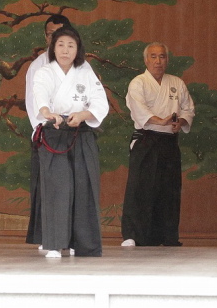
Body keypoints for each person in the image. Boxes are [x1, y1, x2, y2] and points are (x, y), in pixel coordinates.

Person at [31, 25, 109, 258]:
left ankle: (81, 242)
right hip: (54, 132)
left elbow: (100, 102)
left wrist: (83, 115)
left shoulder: (85, 72)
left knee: (84, 186)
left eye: (71, 46)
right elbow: (40, 98)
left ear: (78, 50)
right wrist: (49, 113)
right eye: (61, 45)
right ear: (53, 48)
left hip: (81, 131)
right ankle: (55, 244)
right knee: (58, 187)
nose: (65, 50)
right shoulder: (44, 72)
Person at [120, 42, 195, 247]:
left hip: (169, 142)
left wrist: (181, 122)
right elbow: (138, 109)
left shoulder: (176, 83)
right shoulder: (139, 83)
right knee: (141, 187)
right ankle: (134, 235)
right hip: (146, 140)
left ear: (167, 60)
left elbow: (188, 109)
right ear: (146, 60)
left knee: (169, 189)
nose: (158, 61)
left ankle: (167, 236)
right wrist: (159, 121)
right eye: (153, 56)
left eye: (162, 56)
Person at [24, 14, 70, 249]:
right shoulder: (38, 65)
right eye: (51, 34)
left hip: (73, 132)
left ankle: (72, 237)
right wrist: (42, 129)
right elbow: (33, 103)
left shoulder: (81, 65)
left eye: (60, 34)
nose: (55, 39)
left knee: (73, 186)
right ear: (46, 36)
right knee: (47, 187)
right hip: (48, 133)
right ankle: (46, 237)